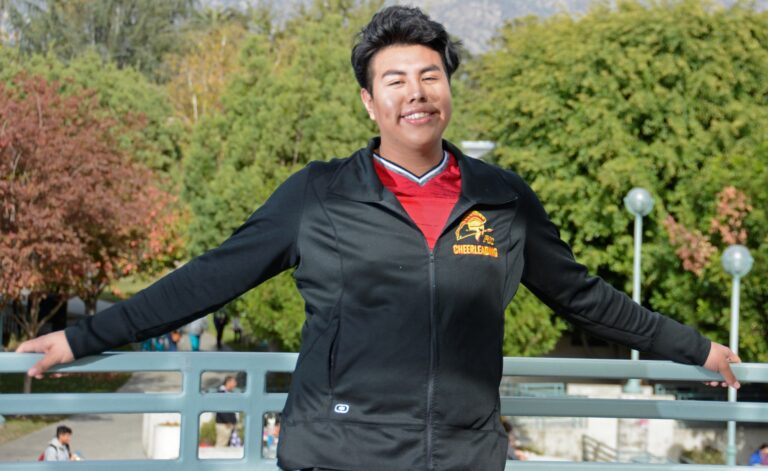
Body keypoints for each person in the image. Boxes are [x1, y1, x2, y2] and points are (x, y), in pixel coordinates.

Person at [17, 6, 743, 471]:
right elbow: (210, 277)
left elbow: (583, 296)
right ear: (369, 101)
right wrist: (81, 339)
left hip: (460, 455)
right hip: (338, 452)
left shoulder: (502, 199)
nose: (415, 92)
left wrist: (695, 348)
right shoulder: (319, 194)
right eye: (394, 80)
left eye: (430, 76)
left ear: (449, 89)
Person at [214, 376, 238, 447]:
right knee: (221, 445)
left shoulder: (229, 393)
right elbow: (220, 409)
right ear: (228, 382)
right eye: (234, 382)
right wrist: (228, 422)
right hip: (224, 425)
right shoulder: (221, 393)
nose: (235, 384)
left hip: (229, 425)